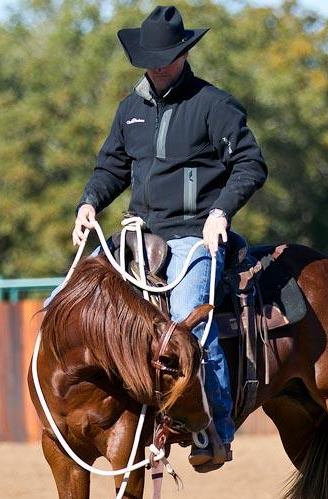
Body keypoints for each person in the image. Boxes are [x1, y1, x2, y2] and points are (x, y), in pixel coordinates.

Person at [73, 5, 267, 470]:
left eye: (167, 58)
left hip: (192, 236)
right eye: (151, 59)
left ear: (184, 53)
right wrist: (89, 202)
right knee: (68, 299)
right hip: (136, 234)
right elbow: (111, 166)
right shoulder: (130, 109)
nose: (158, 67)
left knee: (187, 321)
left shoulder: (213, 104)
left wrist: (220, 212)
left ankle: (215, 430)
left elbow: (250, 163)